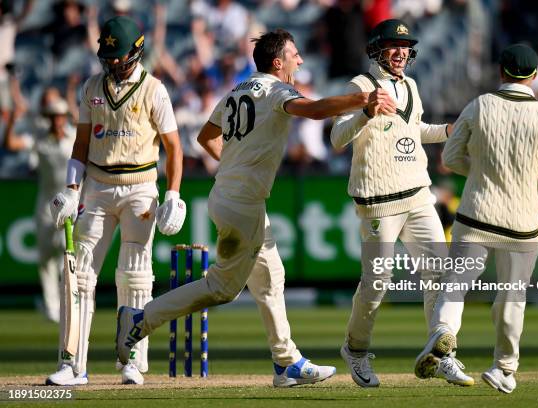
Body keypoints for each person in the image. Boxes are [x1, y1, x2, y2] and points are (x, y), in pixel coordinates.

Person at [116, 28, 392, 387]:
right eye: (295, 55)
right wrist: (362, 100)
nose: (301, 60)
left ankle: (285, 363)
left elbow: (205, 137)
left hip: (230, 196)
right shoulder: (278, 90)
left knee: (270, 278)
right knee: (221, 287)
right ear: (278, 62)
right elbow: (313, 110)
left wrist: (232, 167)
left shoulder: (238, 90)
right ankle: (139, 320)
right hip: (241, 203)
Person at [414, 44, 538, 393]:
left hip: (477, 215)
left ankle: (443, 331)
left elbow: (450, 156)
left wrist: (478, 174)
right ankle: (504, 368)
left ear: (501, 72)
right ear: (534, 76)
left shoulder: (478, 106)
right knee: (511, 297)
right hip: (523, 225)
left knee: (455, 284)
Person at [46, 16, 186, 386]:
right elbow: (80, 145)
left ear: (135, 53)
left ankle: (133, 359)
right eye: (106, 57)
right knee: (77, 275)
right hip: (98, 186)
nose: (111, 64)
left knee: (135, 275)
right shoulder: (92, 87)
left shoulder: (154, 89)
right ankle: (72, 364)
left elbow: (173, 147)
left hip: (141, 187)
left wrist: (173, 193)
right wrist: (70, 189)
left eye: (117, 57)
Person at [330, 18, 454, 388]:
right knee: (377, 283)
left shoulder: (412, 86)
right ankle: (355, 349)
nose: (400, 52)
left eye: (405, 47)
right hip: (379, 202)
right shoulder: (360, 85)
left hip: (417, 194)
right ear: (376, 49)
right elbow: (337, 137)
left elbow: (414, 130)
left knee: (442, 273)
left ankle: (442, 352)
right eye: (392, 46)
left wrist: (449, 131)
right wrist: (366, 111)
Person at [3, 95, 76, 323]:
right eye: (54, 117)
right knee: (46, 258)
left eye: (61, 116)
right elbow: (11, 144)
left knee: (68, 253)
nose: (57, 121)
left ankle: (73, 301)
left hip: (71, 204)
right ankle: (52, 307)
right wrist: (12, 121)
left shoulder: (74, 138)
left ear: (65, 118)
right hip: (46, 206)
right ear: (49, 118)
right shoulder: (39, 139)